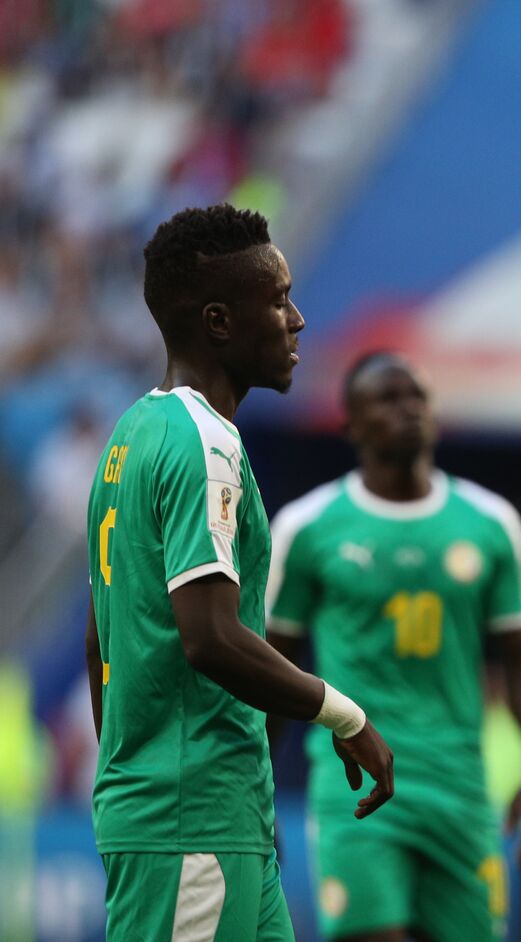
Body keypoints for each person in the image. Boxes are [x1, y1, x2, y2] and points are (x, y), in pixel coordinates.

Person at [85, 204, 394, 941]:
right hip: (189, 819)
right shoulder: (202, 444)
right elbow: (210, 637)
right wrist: (343, 715)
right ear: (220, 322)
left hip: (218, 811)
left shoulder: (131, 435)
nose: (299, 319)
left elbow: (105, 639)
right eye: (279, 299)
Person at [266, 352, 521, 942]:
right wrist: (258, 787)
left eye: (416, 397)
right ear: (350, 423)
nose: (406, 409)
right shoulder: (308, 527)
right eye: (387, 398)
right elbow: (272, 668)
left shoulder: (489, 521)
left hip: (461, 790)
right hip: (355, 794)